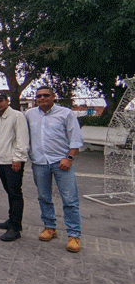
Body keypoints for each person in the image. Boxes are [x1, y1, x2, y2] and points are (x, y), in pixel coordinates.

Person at [25, 86, 84, 253]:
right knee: (43, 197)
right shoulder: (30, 114)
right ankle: (50, 227)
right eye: (39, 96)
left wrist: (70, 158)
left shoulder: (66, 114)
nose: (42, 98)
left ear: (53, 96)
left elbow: (76, 138)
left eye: (46, 95)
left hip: (61, 162)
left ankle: (74, 235)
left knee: (70, 200)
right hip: (40, 162)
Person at [0, 92, 30, 242]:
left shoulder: (17, 116)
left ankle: (15, 227)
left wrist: (18, 159)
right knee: (9, 193)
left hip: (12, 162)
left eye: (1, 101)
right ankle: (11, 220)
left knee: (15, 194)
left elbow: (22, 139)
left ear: (7, 101)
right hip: (1, 161)